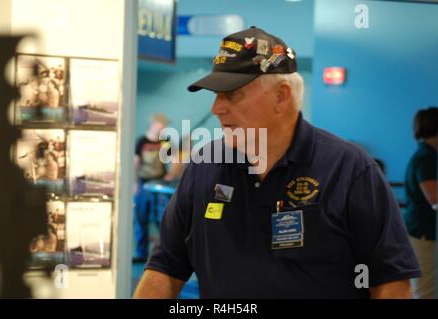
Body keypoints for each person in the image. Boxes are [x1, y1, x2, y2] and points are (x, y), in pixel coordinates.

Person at [134, 27, 421, 298]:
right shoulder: (204, 167)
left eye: (231, 94)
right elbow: (165, 268)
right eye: (216, 95)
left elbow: (390, 281)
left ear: (281, 96)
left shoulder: (350, 170)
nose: (217, 108)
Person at [404, 107, 437, 299]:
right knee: (426, 289)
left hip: (422, 231)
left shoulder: (427, 155)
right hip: (423, 232)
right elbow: (434, 197)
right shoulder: (427, 158)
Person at [133, 113, 172, 263]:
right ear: (154, 124)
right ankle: (141, 252)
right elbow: (136, 163)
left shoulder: (165, 142)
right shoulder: (141, 142)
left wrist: (172, 174)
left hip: (160, 184)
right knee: (141, 218)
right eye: (162, 125)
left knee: (162, 219)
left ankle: (162, 253)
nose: (164, 128)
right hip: (144, 184)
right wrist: (135, 184)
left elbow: (172, 159)